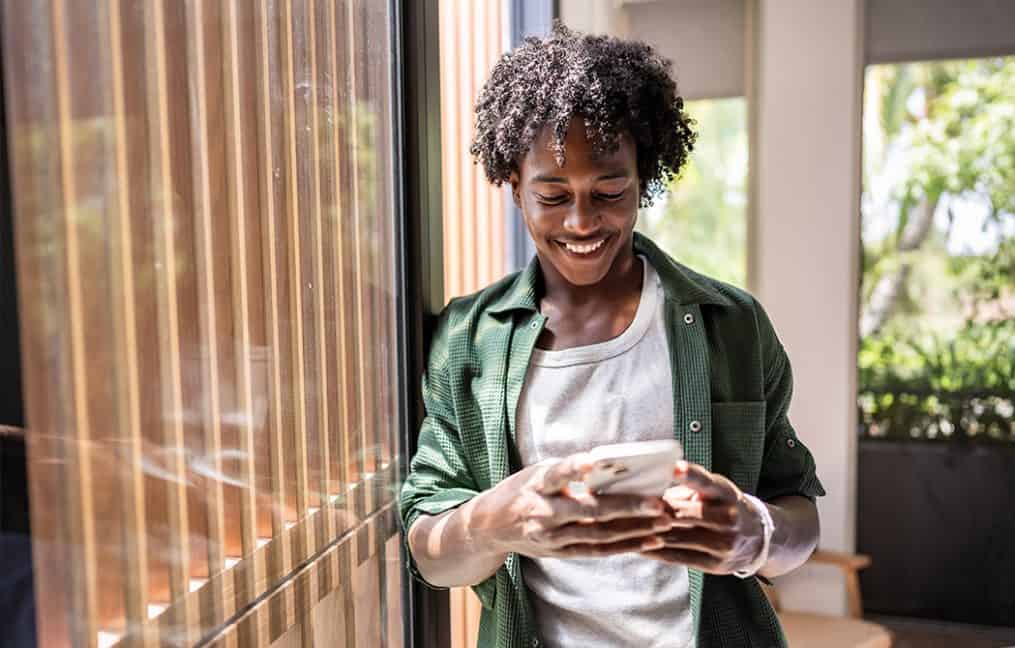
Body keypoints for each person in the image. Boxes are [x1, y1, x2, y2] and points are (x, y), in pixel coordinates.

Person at [399, 24, 824, 648]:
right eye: (552, 195)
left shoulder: (730, 324)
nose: (581, 221)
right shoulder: (467, 340)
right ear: (514, 186)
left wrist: (753, 533)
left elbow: (800, 516)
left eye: (609, 191)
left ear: (643, 176)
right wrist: (500, 521)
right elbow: (428, 552)